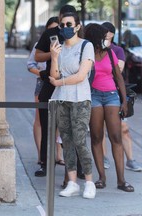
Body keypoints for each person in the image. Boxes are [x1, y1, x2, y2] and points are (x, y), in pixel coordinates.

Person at [49, 12, 96, 199]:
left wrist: (59, 83)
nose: (65, 27)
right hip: (62, 99)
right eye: (62, 24)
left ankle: (90, 181)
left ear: (77, 26)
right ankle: (72, 181)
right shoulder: (60, 48)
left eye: (69, 23)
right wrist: (54, 57)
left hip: (81, 99)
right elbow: (54, 74)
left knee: (79, 140)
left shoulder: (86, 46)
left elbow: (80, 76)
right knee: (66, 140)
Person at [84, 23, 134, 192]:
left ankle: (121, 181)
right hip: (93, 96)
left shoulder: (110, 53)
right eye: (103, 37)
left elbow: (119, 78)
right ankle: (101, 178)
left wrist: (124, 101)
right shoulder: (87, 54)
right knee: (96, 137)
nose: (106, 40)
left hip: (112, 95)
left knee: (116, 137)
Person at [34, 4, 77, 177]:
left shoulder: (81, 37)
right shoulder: (50, 34)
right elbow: (37, 55)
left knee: (74, 128)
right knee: (46, 126)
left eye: (70, 21)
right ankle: (45, 162)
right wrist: (52, 54)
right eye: (63, 20)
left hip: (73, 85)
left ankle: (77, 167)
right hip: (51, 83)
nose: (66, 25)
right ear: (59, 18)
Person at [101, 21, 142, 172]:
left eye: (105, 32)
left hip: (116, 93)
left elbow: (118, 69)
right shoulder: (94, 49)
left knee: (123, 127)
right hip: (98, 92)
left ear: (111, 34)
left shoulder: (117, 50)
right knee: (101, 128)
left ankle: (130, 160)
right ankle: (104, 157)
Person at [27, 16, 60, 165]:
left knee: (59, 121)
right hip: (42, 82)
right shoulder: (39, 45)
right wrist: (40, 73)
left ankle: (58, 155)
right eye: (51, 28)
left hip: (59, 83)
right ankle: (42, 155)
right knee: (40, 120)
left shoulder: (65, 43)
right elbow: (30, 64)